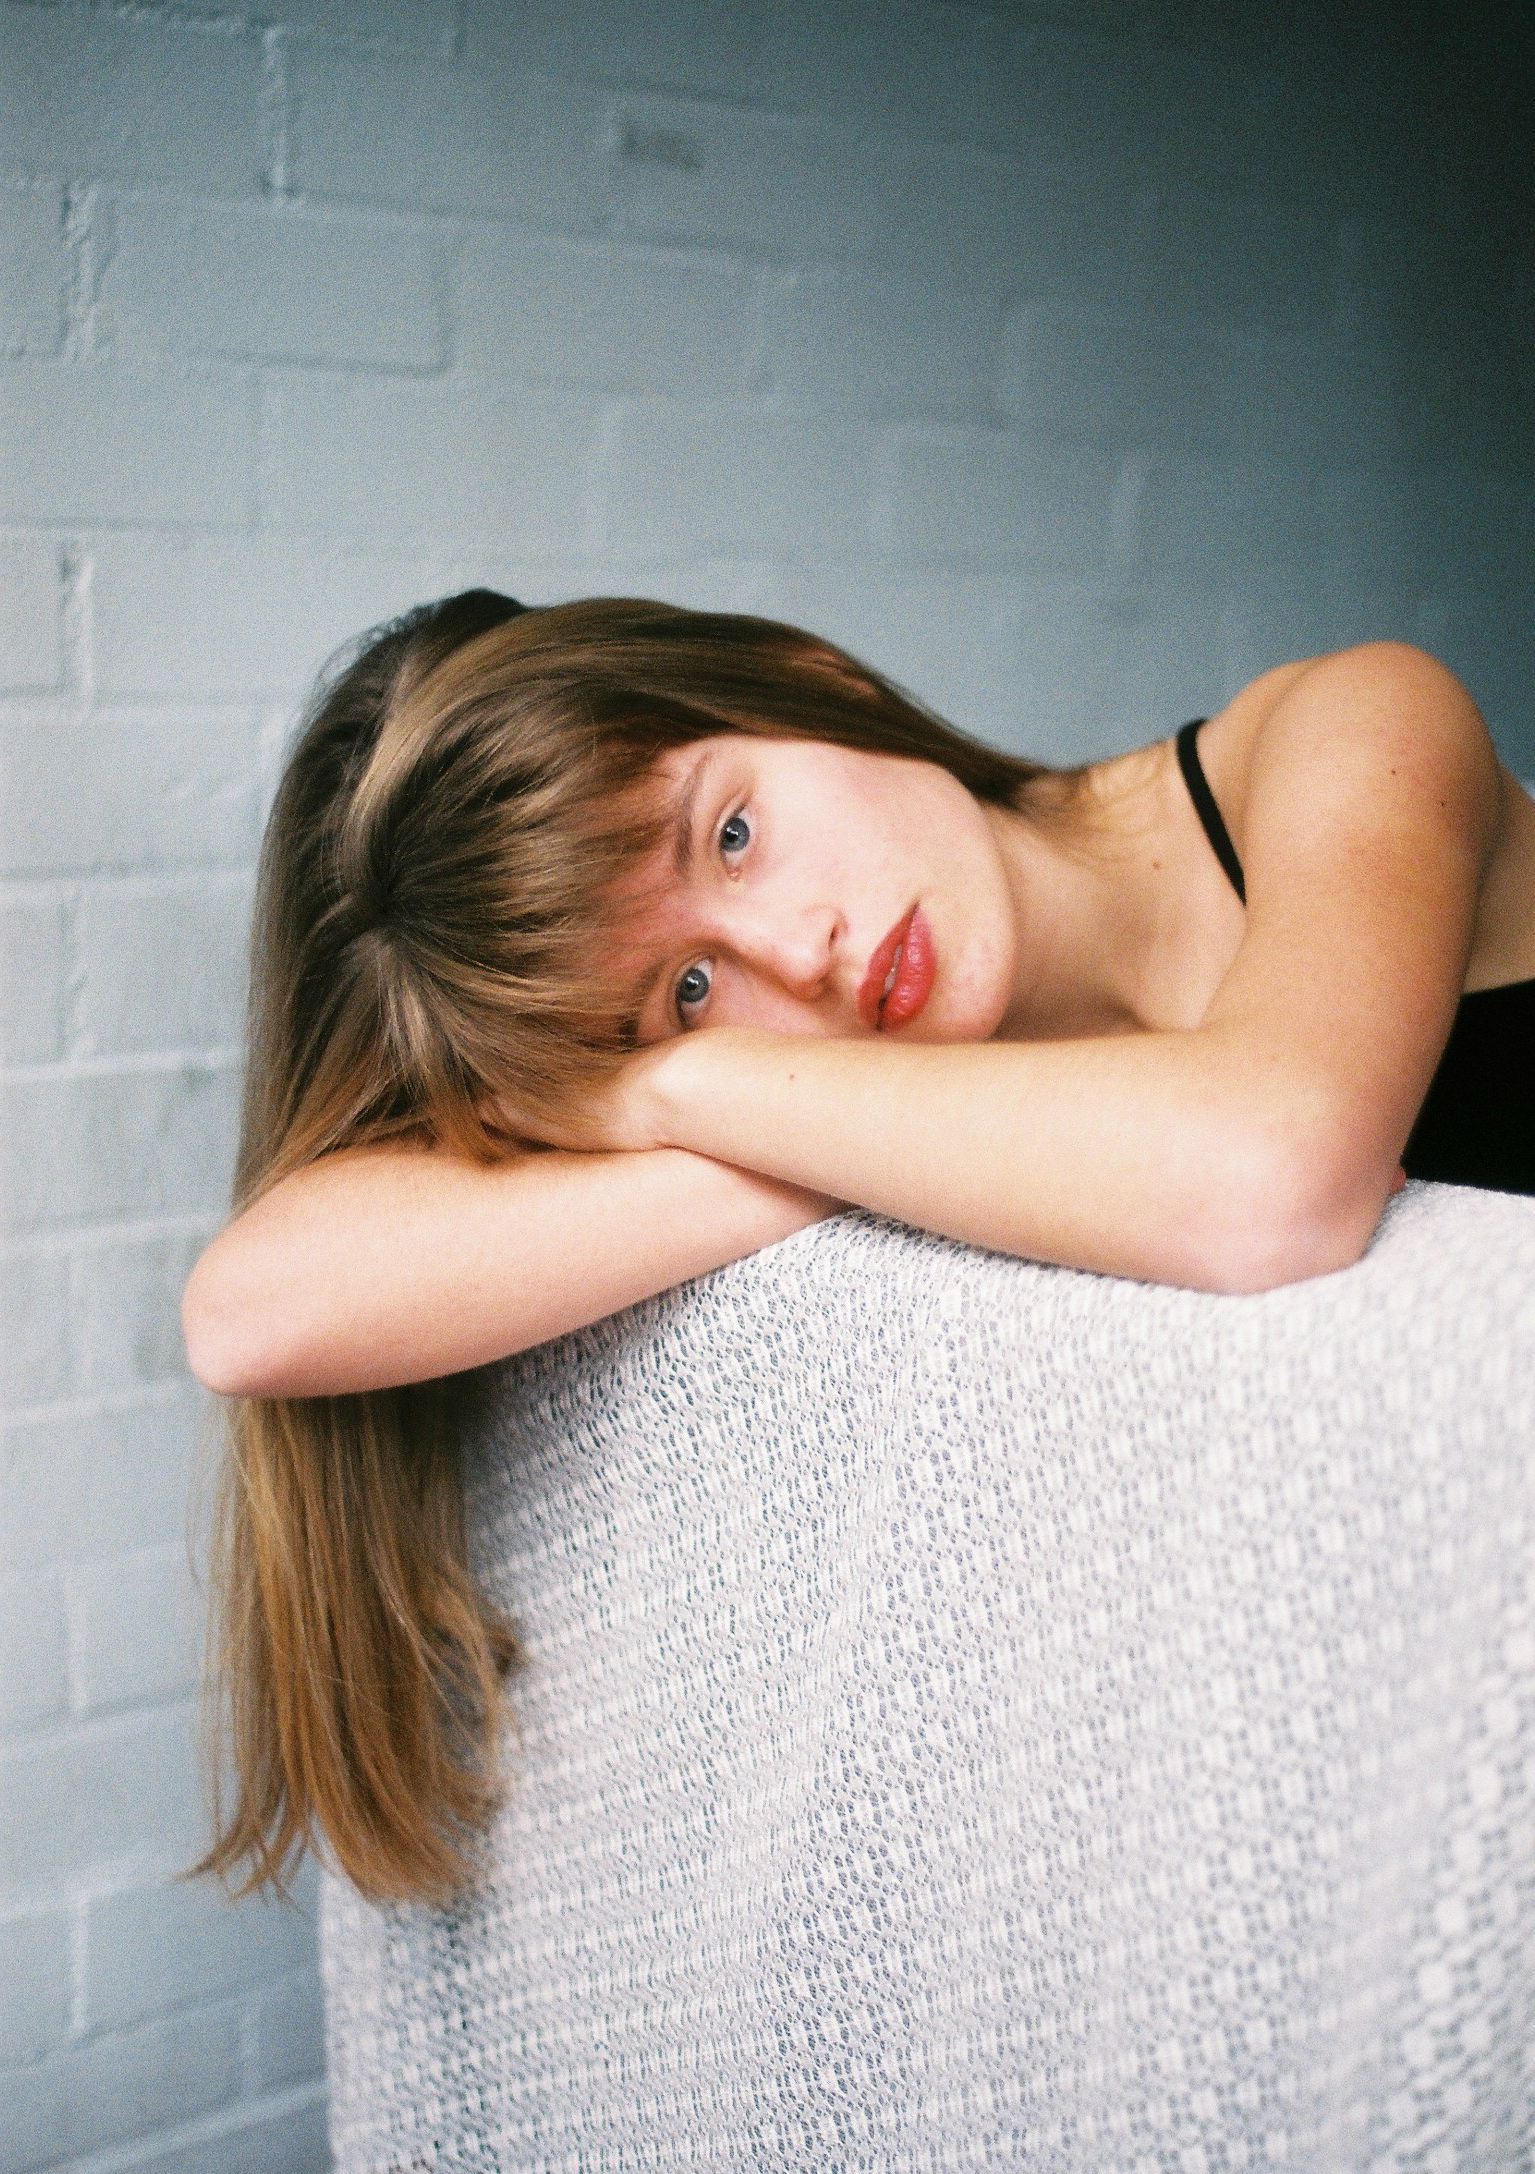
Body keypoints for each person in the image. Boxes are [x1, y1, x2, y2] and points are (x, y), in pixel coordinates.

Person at [182, 590, 1535, 1909]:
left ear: (805, 675)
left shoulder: (1358, 723)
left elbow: (1272, 1174)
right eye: (689, 994)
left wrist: (671, 1089)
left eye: (731, 832)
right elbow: (250, 1311)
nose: (803, 952)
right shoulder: (904, 1100)